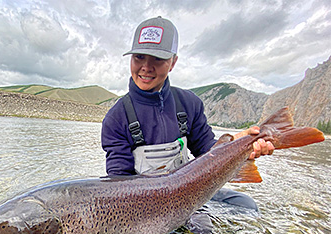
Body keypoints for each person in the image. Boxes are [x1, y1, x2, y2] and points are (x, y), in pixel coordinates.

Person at [101, 16, 274, 213]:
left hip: (191, 196)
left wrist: (237, 143)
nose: (146, 67)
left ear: (173, 62)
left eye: (158, 59)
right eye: (139, 57)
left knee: (246, 206)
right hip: (144, 211)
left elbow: (207, 151)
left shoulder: (189, 103)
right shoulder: (116, 118)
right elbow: (117, 185)